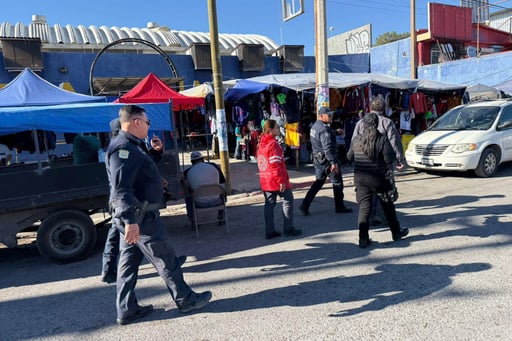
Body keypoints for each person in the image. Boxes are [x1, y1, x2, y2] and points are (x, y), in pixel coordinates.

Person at [105, 105, 211, 325]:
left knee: (128, 266)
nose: (148, 126)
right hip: (141, 219)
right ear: (136, 122)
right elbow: (121, 189)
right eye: (147, 122)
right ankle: (185, 299)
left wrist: (155, 154)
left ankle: (127, 309)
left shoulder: (133, 145)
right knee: (166, 259)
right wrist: (130, 221)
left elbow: (139, 173)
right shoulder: (123, 148)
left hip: (136, 218)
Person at [101, 118, 185, 284]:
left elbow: (144, 166)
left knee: (123, 243)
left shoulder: (129, 146)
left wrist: (156, 152)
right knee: (151, 243)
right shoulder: (122, 149)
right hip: (128, 204)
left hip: (125, 205)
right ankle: (110, 272)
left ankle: (111, 275)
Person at [346, 112, 409, 248]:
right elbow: (389, 159)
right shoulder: (382, 139)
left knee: (364, 209)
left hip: (361, 179)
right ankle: (396, 233)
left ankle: (363, 239)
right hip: (379, 179)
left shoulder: (356, 139)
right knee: (388, 207)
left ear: (363, 125)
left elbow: (349, 157)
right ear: (376, 124)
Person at [352, 97, 405, 226]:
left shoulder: (361, 123)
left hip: (364, 163)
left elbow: (354, 141)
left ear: (370, 108)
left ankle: (369, 219)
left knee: (368, 193)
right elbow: (394, 141)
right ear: (383, 109)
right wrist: (399, 158)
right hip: (382, 162)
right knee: (385, 191)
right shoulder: (387, 122)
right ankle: (385, 219)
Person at [299, 107, 352, 216]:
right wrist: (333, 163)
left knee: (318, 182)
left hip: (318, 160)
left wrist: (334, 132)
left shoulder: (315, 126)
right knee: (337, 182)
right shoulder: (323, 129)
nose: (331, 117)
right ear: (321, 116)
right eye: (329, 115)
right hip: (326, 160)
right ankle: (340, 206)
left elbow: (322, 137)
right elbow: (327, 148)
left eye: (331, 115)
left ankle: (305, 205)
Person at [257, 119, 301, 239]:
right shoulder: (273, 144)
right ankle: (288, 228)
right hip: (276, 179)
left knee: (269, 205)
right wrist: (280, 180)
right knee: (288, 201)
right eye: (276, 127)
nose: (278, 129)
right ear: (270, 130)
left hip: (266, 179)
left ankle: (269, 231)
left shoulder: (261, 143)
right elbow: (275, 164)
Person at [183, 151, 226, 225]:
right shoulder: (214, 166)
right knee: (222, 188)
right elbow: (222, 182)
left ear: (192, 162)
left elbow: (187, 187)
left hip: (199, 203)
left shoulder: (187, 172)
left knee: (187, 194)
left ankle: (193, 220)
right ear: (202, 159)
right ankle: (221, 214)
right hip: (217, 201)